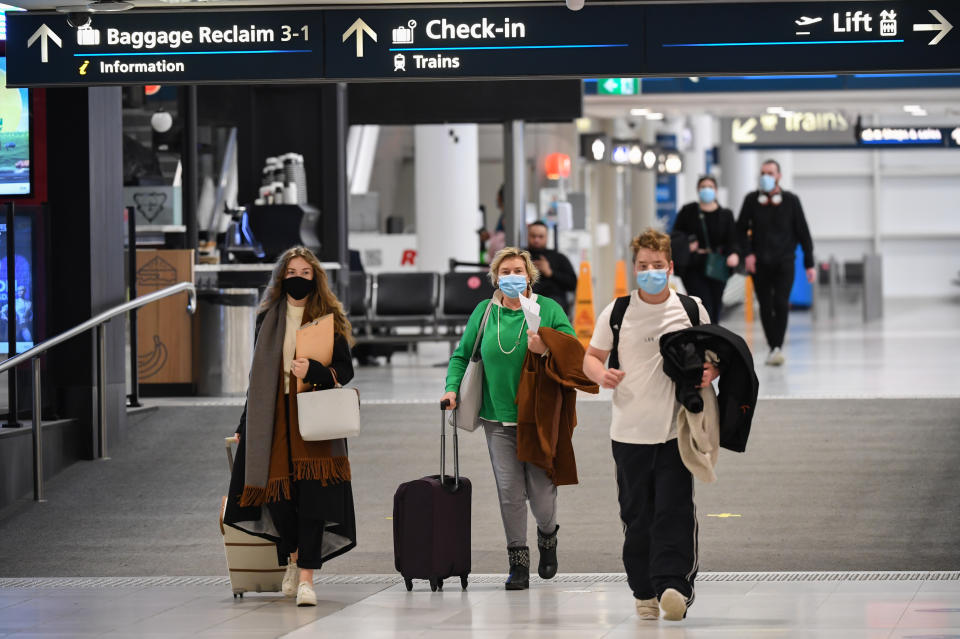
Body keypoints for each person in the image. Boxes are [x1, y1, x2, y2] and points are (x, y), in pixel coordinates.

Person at [582, 229, 717, 622]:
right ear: (634, 269)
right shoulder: (617, 312)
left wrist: (712, 371)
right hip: (628, 434)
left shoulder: (691, 309)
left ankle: (674, 585)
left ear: (670, 267)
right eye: (644, 266)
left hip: (677, 432)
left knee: (674, 510)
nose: (651, 272)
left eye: (658, 266)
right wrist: (599, 375)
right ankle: (643, 589)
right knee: (636, 515)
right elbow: (591, 357)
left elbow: (715, 356)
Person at [224, 246, 357, 607]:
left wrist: (313, 372)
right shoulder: (267, 318)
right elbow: (257, 379)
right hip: (272, 415)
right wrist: (244, 422)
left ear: (316, 278)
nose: (298, 278)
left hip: (312, 412)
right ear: (282, 277)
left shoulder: (329, 318)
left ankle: (307, 580)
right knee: (276, 494)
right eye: (292, 272)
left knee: (313, 496)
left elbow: (344, 371)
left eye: (305, 273)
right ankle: (295, 556)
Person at [441, 247, 576, 591]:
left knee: (542, 494)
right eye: (505, 271)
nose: (512, 277)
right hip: (496, 418)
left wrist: (545, 347)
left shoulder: (548, 309)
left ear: (529, 275)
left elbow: (572, 350)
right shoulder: (485, 312)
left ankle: (548, 536)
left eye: (518, 270)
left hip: (539, 419)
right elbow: (461, 355)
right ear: (496, 277)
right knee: (509, 493)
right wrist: (451, 389)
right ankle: (518, 561)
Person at [736, 159, 815, 366]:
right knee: (765, 304)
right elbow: (740, 231)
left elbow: (804, 233)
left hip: (784, 261)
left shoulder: (791, 200)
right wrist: (748, 254)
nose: (766, 177)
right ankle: (774, 347)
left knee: (780, 303)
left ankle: (776, 346)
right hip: (759, 263)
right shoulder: (751, 200)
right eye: (763, 173)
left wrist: (809, 264)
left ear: (779, 176)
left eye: (770, 173)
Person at [671, 176, 739, 323]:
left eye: (710, 186)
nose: (706, 190)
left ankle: (712, 337)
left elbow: (733, 240)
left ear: (716, 190)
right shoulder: (688, 211)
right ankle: (703, 337)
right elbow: (675, 236)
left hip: (718, 266)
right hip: (694, 265)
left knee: (716, 305)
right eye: (703, 187)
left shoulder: (726, 215)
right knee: (702, 304)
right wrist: (687, 243)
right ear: (697, 190)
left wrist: (734, 254)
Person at [526, 221, 578, 315]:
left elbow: (573, 284)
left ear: (547, 237)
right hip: (526, 299)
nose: (536, 240)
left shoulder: (559, 258)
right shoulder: (520, 257)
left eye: (541, 236)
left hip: (554, 301)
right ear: (528, 236)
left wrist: (551, 273)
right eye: (533, 236)